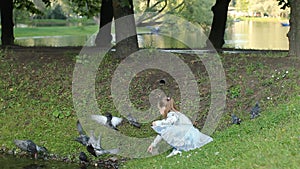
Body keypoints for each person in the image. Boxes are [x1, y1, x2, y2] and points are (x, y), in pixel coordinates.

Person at [147, 96, 213, 157]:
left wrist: (159, 122)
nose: (159, 112)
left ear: (164, 108)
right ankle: (179, 147)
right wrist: (153, 144)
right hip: (189, 135)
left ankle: (179, 148)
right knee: (167, 130)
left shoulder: (172, 115)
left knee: (169, 130)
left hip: (188, 136)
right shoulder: (173, 115)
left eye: (160, 109)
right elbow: (162, 132)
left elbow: (170, 121)